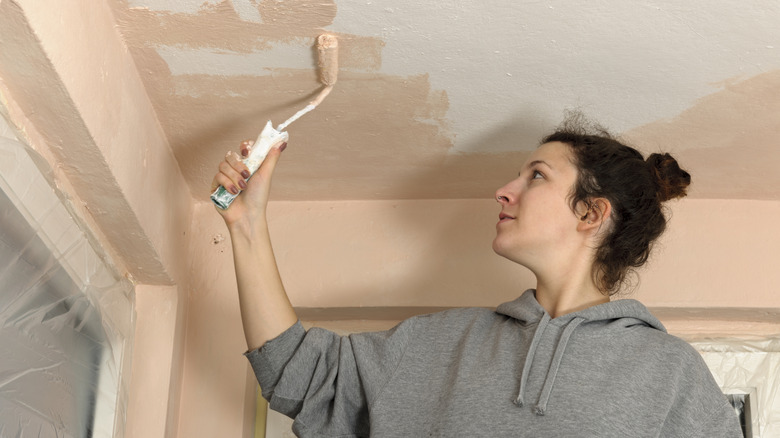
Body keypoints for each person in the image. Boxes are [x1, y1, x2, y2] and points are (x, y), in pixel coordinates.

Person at [212, 116, 743, 437]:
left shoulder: (670, 374)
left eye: (536, 176)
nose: (504, 190)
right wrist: (246, 223)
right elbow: (292, 371)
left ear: (591, 213)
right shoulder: (436, 343)